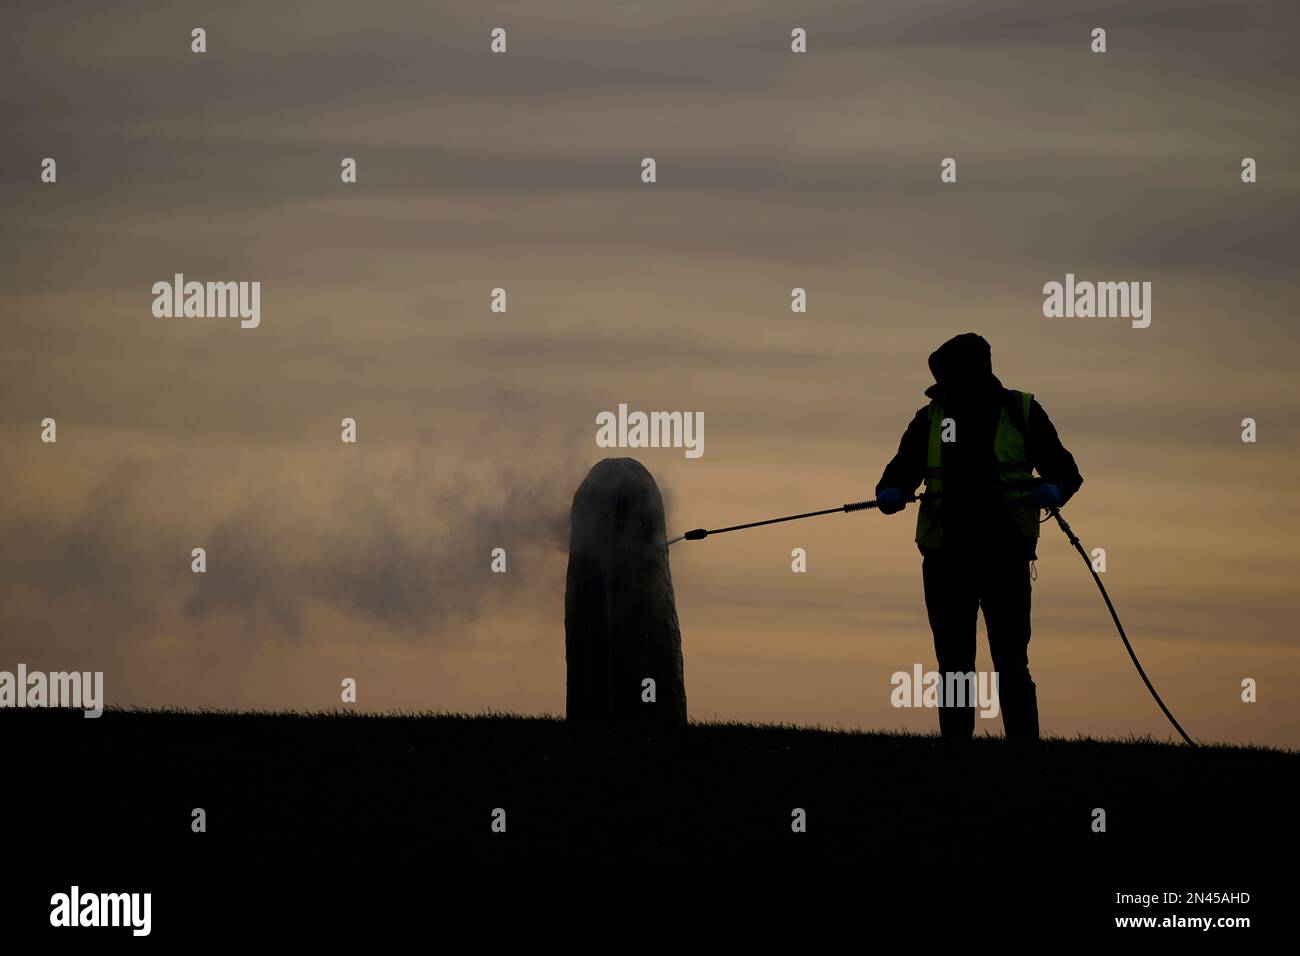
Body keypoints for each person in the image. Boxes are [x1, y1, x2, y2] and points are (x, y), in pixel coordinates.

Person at [875, 333, 1083, 744]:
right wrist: (891, 490)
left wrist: (1056, 490)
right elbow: (900, 471)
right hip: (946, 557)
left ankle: (1022, 748)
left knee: (1010, 660)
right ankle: (957, 749)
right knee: (954, 662)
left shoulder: (1021, 411)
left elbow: (1065, 470)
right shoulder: (930, 418)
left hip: (1003, 555)